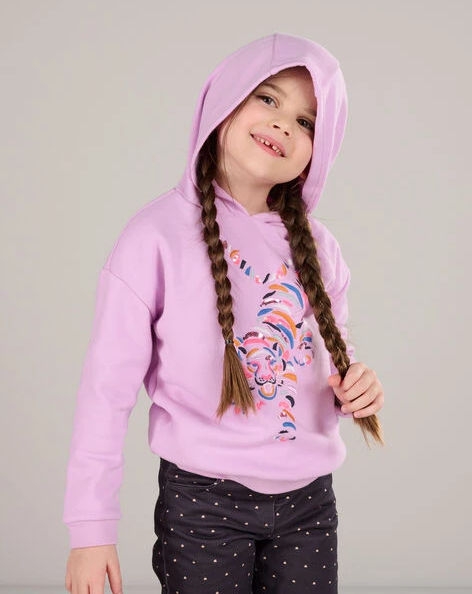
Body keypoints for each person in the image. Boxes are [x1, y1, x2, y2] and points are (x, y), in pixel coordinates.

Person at [64, 32, 385, 594]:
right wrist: (91, 530)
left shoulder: (319, 248)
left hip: (309, 504)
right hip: (204, 504)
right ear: (225, 100)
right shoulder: (155, 237)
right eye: (268, 98)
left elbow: (327, 362)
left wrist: (355, 388)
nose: (284, 124)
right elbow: (105, 392)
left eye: (306, 121)